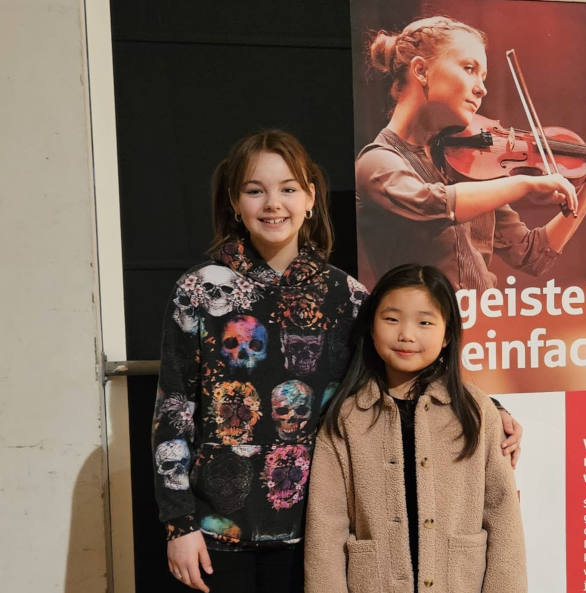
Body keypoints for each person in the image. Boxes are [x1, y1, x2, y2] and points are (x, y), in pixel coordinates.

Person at [151, 130, 522, 593]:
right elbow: (173, 411)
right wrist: (178, 524)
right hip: (216, 532)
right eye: (255, 190)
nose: (273, 203)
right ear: (234, 201)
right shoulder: (200, 290)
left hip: (317, 533)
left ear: (310, 198)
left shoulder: (344, 296)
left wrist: (494, 411)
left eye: (288, 189)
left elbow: (402, 365)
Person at [356, 16, 586, 291]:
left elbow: (532, 255)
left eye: (483, 76)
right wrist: (525, 183)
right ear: (421, 71)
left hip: (484, 323)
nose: (481, 88)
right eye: (469, 68)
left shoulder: (465, 163)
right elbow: (434, 204)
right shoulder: (377, 163)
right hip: (422, 328)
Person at [305, 264, 527, 593]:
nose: (407, 334)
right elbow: (325, 528)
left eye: (425, 322)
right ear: (371, 326)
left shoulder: (477, 412)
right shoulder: (346, 418)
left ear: (448, 333)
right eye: (392, 319)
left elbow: (503, 518)